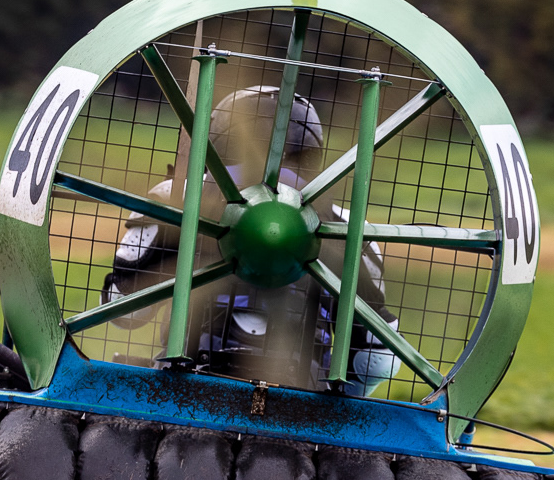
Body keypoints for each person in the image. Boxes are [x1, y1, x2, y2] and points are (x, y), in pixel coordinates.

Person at [101, 85, 402, 395]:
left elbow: (123, 311)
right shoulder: (347, 227)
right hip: (301, 401)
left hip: (184, 390)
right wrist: (331, 405)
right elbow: (377, 359)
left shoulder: (178, 200)